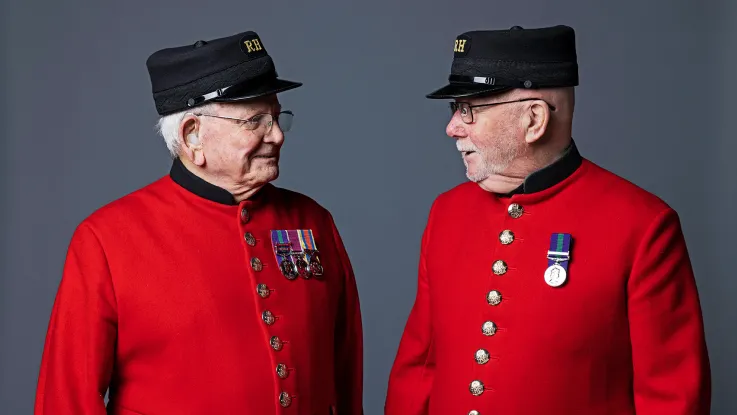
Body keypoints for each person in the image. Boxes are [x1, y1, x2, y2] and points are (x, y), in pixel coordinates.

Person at [34, 30, 363, 415]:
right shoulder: (106, 239)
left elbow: (345, 368)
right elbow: (66, 400)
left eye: (276, 116)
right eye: (255, 120)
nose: (276, 135)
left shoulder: (313, 221)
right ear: (193, 135)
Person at [385, 25, 710, 415]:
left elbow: (672, 400)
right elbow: (418, 371)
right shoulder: (447, 212)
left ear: (534, 120)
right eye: (454, 109)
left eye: (468, 109)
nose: (452, 127)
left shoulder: (643, 227)